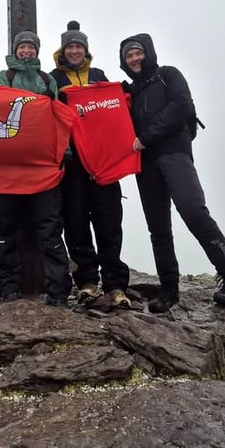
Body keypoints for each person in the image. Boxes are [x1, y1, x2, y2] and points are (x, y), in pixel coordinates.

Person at [119, 33, 225, 313]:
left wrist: (147, 137)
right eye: (128, 56)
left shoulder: (169, 75)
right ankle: (169, 290)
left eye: (138, 53)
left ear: (148, 53)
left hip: (174, 152)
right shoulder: (129, 91)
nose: (134, 59)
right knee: (158, 227)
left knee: (193, 211)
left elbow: (182, 106)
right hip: (146, 163)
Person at [50, 21, 131, 309]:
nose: (74, 50)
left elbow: (116, 110)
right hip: (71, 164)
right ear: (63, 50)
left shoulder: (99, 77)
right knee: (75, 223)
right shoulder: (53, 79)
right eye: (70, 46)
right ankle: (86, 282)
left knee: (109, 222)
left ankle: (116, 284)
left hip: (103, 162)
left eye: (79, 46)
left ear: (85, 50)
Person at [0, 30, 72, 306]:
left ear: (37, 51)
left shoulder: (47, 80)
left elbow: (59, 116)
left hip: (42, 167)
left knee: (49, 227)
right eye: (22, 47)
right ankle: (7, 287)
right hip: (7, 167)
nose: (26, 51)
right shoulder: (4, 77)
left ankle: (59, 289)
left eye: (31, 48)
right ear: (15, 51)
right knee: (4, 228)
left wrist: (65, 152)